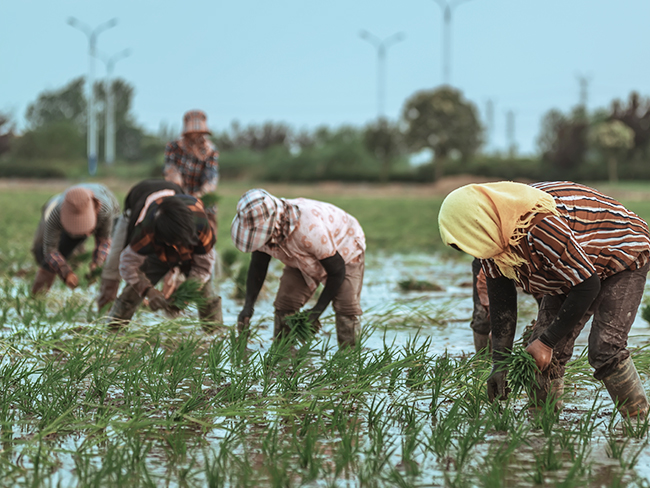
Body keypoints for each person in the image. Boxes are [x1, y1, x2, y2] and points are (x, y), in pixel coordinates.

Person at [439, 181, 650, 418]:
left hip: (619, 254)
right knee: (537, 350)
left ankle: (638, 421)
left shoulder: (537, 226)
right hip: (574, 268)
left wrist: (547, 342)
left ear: (480, 223)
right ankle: (543, 424)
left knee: (605, 347)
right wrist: (500, 362)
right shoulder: (492, 242)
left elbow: (587, 284)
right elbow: (503, 304)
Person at [231, 189, 366, 348]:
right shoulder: (265, 232)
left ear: (273, 225)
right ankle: (283, 352)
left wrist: (316, 312)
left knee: (346, 305)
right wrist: (248, 306)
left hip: (344, 246)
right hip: (299, 256)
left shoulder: (310, 229)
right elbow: (258, 266)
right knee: (285, 302)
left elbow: (337, 271)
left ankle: (349, 357)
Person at [106, 189, 221, 331]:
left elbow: (204, 266)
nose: (176, 248)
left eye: (179, 243)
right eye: (173, 243)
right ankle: (112, 333)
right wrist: (148, 290)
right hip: (159, 255)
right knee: (131, 294)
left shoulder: (201, 223)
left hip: (192, 254)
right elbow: (128, 265)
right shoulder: (147, 229)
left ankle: (216, 336)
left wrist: (186, 291)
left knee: (206, 295)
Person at [96, 179, 185, 310]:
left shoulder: (183, 222)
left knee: (179, 269)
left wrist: (174, 272)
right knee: (114, 261)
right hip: (133, 209)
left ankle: (174, 308)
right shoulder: (139, 225)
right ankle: (105, 305)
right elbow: (129, 261)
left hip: (172, 213)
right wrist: (146, 290)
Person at [31, 183, 120, 296]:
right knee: (48, 258)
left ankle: (111, 301)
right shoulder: (56, 214)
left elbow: (104, 241)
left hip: (107, 213)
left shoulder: (105, 210)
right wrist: (66, 272)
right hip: (67, 221)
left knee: (114, 257)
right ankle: (37, 296)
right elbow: (50, 250)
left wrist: (97, 264)